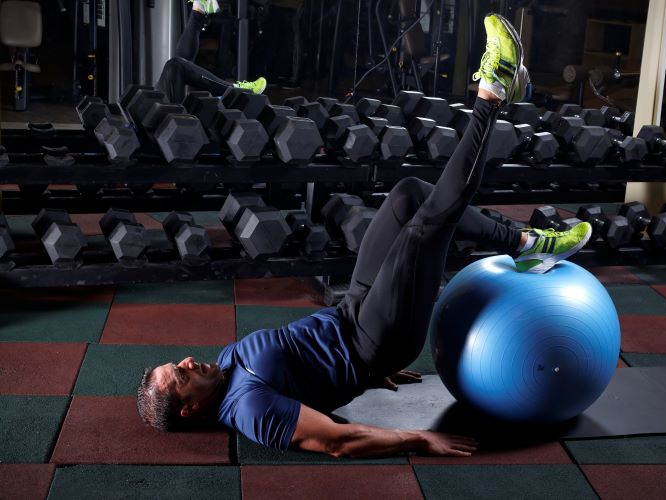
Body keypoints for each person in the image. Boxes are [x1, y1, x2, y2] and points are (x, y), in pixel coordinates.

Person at [137, 14, 593, 458]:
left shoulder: (225, 364)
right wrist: (417, 437)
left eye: (176, 363)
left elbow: (304, 369)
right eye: (179, 376)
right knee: (426, 226)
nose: (186, 362)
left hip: (352, 312)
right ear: (191, 407)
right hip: (374, 339)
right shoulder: (248, 409)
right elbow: (335, 440)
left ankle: (526, 244)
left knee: (408, 195)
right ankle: (492, 92)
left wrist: (370, 378)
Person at [155, 0, 267, 103]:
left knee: (177, 66)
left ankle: (199, 7)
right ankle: (235, 90)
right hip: (152, 120)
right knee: (175, 66)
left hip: (148, 108)